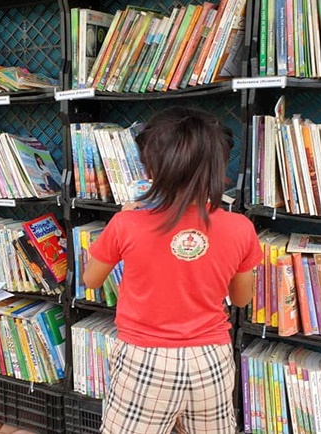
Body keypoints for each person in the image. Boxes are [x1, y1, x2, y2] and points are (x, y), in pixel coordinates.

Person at [83, 106, 261, 434]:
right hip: (211, 360)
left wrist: (122, 222)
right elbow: (240, 298)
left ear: (152, 167)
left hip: (144, 361)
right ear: (217, 167)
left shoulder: (127, 223)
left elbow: (91, 279)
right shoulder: (241, 228)